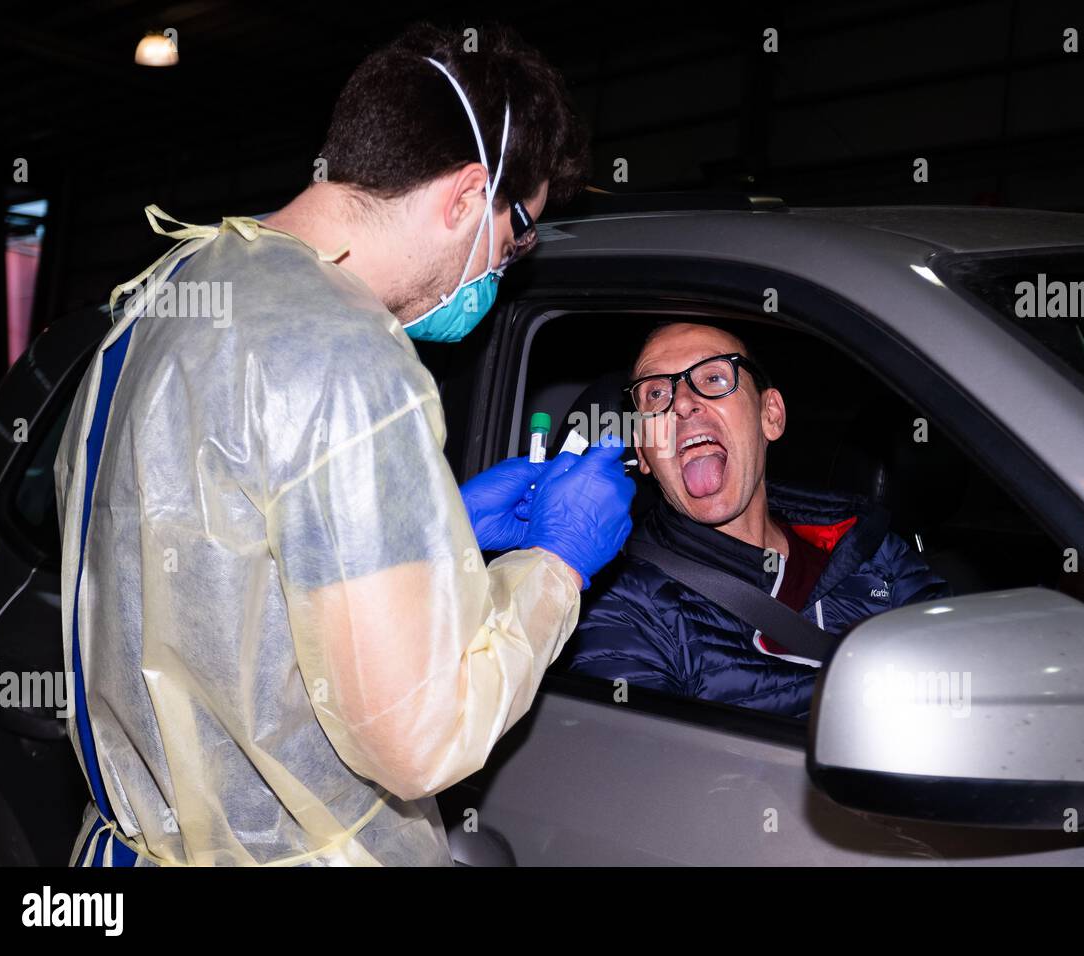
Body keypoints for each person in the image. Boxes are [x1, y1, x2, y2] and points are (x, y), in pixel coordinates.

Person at [53, 24, 633, 867]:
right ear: (468, 194)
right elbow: (417, 739)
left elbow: (216, 582)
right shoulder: (348, 352)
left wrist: (433, 541)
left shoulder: (174, 288)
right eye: (517, 237)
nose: (504, 266)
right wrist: (556, 567)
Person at [569, 323, 948, 719]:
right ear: (644, 455)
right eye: (657, 394)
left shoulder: (869, 547)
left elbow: (965, 680)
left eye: (714, 377)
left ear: (771, 416)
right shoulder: (626, 609)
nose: (681, 403)